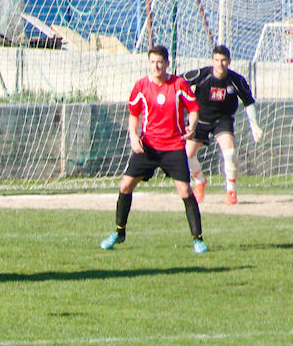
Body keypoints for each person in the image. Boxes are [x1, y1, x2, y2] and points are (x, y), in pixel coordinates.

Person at [100, 45, 207, 254]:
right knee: (125, 186)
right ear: (148, 63)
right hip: (148, 146)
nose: (156, 66)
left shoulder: (178, 84)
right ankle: (119, 232)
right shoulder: (141, 86)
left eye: (160, 62)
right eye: (152, 62)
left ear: (167, 64)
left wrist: (192, 126)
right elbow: (134, 114)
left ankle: (198, 239)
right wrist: (133, 136)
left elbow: (193, 109)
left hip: (173, 146)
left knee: (185, 190)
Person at [183, 44, 263, 205]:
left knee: (230, 152)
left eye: (223, 60)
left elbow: (248, 102)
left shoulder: (237, 80)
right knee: (186, 156)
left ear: (229, 61)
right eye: (217, 60)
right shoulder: (201, 75)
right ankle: (200, 181)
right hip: (199, 119)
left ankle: (231, 190)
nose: (220, 64)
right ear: (212, 61)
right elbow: (178, 83)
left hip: (222, 120)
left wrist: (254, 125)